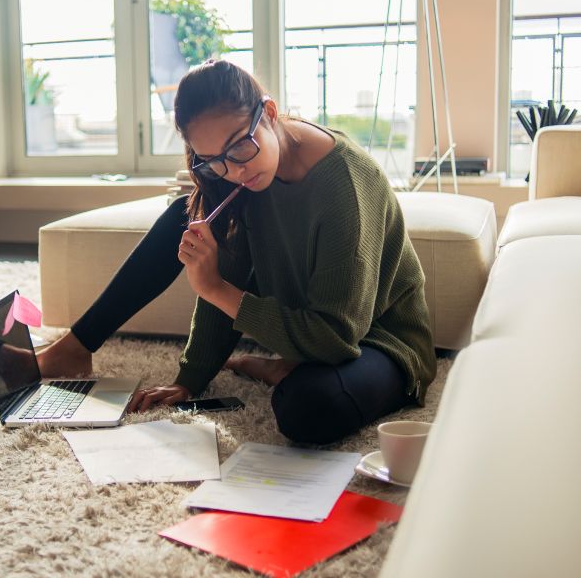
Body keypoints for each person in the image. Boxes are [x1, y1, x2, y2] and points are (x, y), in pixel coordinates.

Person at [37, 59, 437, 444]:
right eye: (213, 161)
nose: (235, 170)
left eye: (239, 147)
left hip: (379, 340)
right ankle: (77, 346)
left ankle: (283, 368)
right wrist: (190, 379)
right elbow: (228, 272)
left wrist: (212, 288)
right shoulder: (241, 177)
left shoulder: (344, 186)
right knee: (186, 213)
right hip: (313, 328)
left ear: (269, 112)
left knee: (307, 408)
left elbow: (335, 338)